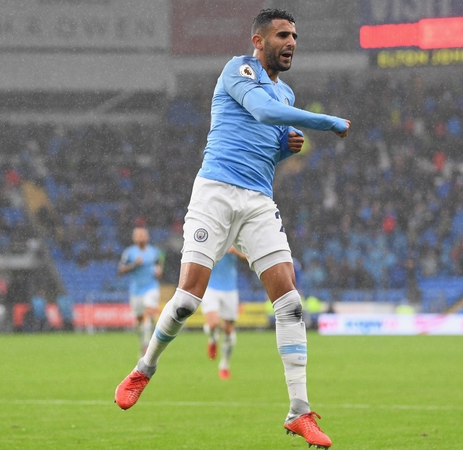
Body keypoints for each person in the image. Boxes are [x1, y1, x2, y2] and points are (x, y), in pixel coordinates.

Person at [115, 9, 349, 449]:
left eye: (295, 35)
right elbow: (259, 110)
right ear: (259, 41)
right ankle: (145, 367)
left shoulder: (287, 92)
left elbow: (264, 148)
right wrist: (327, 122)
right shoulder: (238, 69)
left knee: (291, 303)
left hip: (258, 201)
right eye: (282, 34)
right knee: (186, 301)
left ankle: (299, 411)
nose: (291, 41)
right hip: (216, 193)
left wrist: (286, 150)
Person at [202, 246, 246, 380]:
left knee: (228, 331)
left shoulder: (237, 237)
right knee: (213, 324)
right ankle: (213, 339)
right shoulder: (213, 234)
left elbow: (249, 259)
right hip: (211, 287)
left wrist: (236, 252)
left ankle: (224, 365)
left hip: (230, 290)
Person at [118, 227, 162, 357]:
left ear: (147, 237)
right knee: (139, 321)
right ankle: (142, 341)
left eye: (143, 235)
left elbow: (159, 265)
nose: (141, 237)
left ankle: (146, 346)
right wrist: (134, 265)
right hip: (136, 290)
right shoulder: (129, 253)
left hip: (151, 288)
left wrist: (159, 271)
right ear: (134, 238)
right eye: (138, 235)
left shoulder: (154, 252)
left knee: (148, 315)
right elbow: (120, 271)